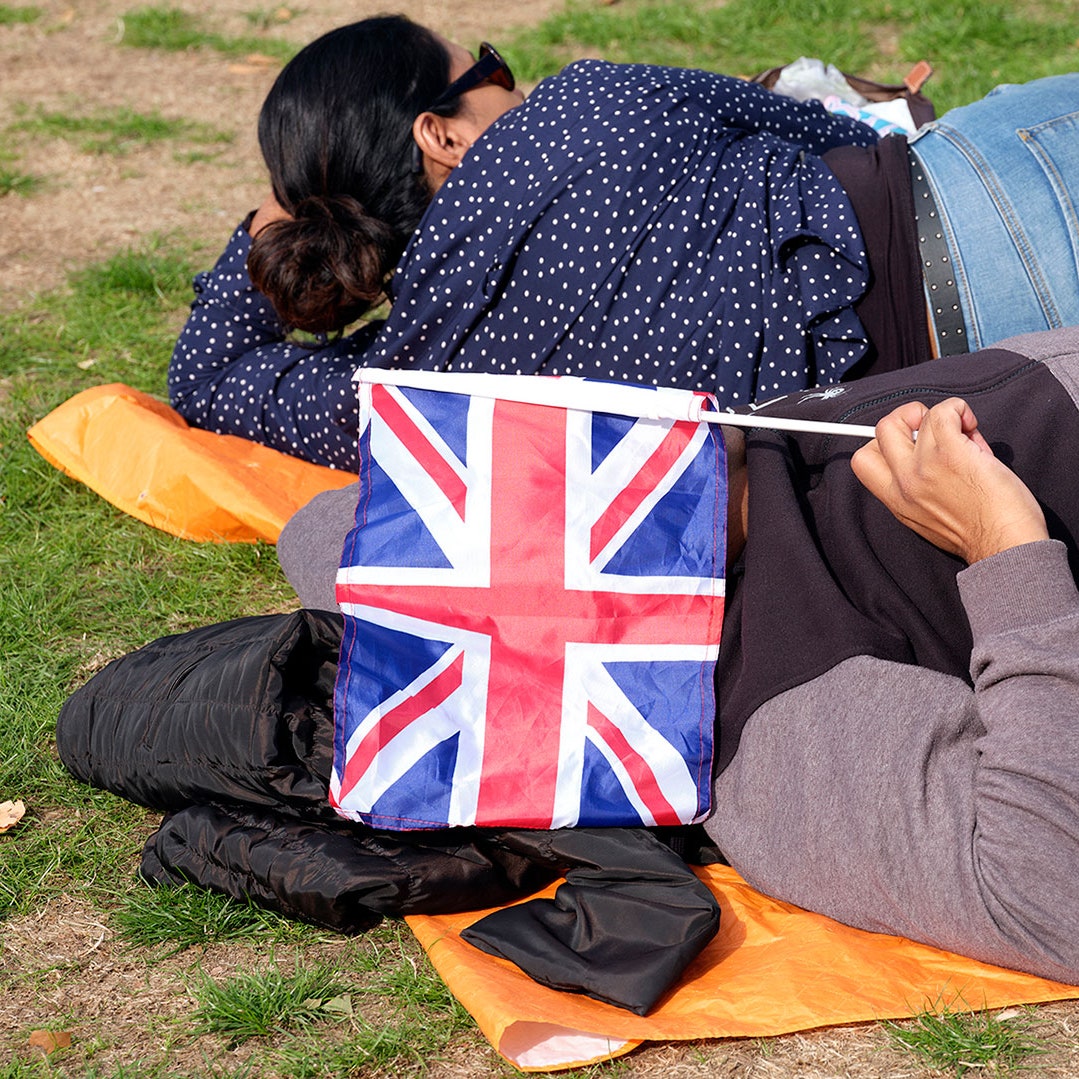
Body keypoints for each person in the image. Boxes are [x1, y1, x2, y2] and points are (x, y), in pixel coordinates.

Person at [272, 324, 1079, 986]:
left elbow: (316, 525)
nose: (580, 404)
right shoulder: (773, 725)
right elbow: (1044, 896)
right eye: (540, 471)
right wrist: (1003, 546)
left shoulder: (722, 454)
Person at [167, 17, 1079, 469]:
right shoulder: (578, 109)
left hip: (984, 406)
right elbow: (820, 133)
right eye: (486, 70)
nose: (507, 83)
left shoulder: (420, 392)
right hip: (990, 200)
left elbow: (207, 378)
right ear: (438, 134)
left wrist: (275, 220)